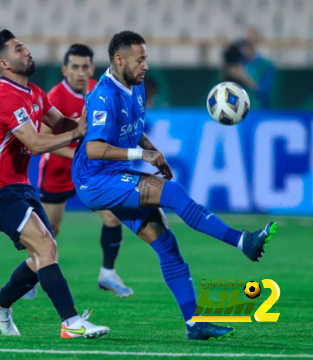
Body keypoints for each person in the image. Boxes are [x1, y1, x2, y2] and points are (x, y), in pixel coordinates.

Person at [72, 31, 278, 340]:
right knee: (172, 193)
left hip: (115, 177)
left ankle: (194, 324)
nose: (146, 65)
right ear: (119, 59)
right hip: (95, 181)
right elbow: (93, 148)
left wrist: (153, 151)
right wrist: (143, 154)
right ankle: (243, 242)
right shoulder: (103, 95)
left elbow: (133, 128)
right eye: (140, 59)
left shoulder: (136, 85)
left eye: (146, 59)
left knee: (168, 247)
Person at [0, 30, 109, 339]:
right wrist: (78, 133)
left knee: (42, 256)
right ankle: (71, 322)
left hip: (19, 186)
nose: (28, 51)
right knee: (46, 246)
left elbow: (60, 123)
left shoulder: (33, 91)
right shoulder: (2, 97)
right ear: (5, 63)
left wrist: (91, 125)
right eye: (19, 49)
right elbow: (35, 143)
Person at [24, 44, 132, 300]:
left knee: (113, 219)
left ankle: (108, 274)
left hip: (90, 173)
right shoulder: (56, 97)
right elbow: (42, 140)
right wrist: (78, 155)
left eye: (85, 67)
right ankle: (29, 279)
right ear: (65, 69)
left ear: (92, 69)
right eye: (75, 67)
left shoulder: (99, 90)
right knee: (49, 232)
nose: (80, 72)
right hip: (59, 173)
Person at [223, 29, 275, 109]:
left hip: (258, 111)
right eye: (247, 41)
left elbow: (265, 92)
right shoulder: (238, 62)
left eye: (252, 41)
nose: (249, 45)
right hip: (237, 109)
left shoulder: (266, 65)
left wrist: (244, 78)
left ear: (257, 41)